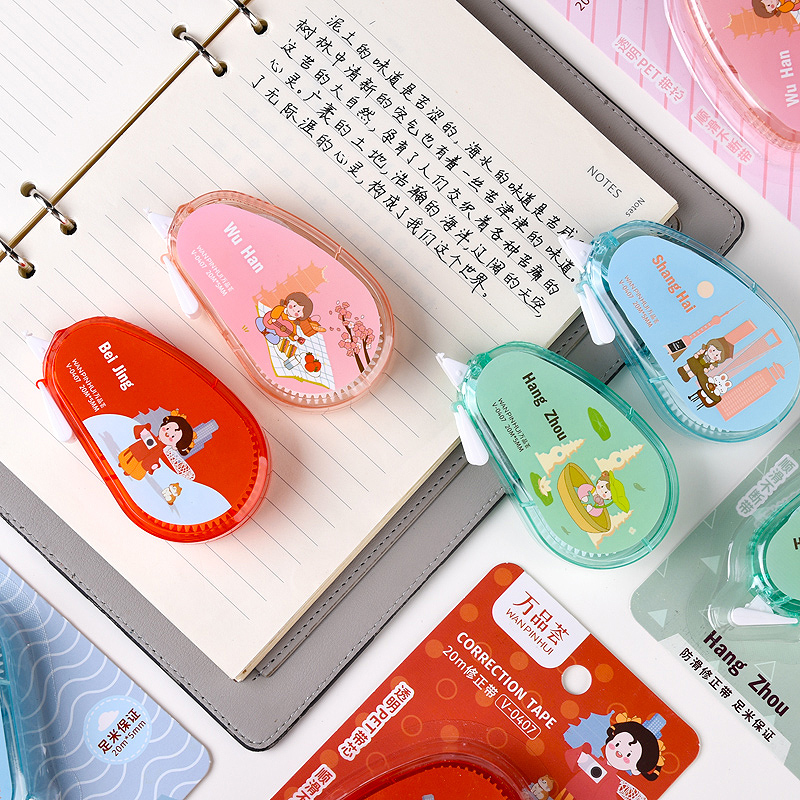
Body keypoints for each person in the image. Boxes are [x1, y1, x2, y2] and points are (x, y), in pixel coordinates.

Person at [555, 715, 665, 800]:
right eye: (617, 744)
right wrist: (582, 757)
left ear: (636, 769)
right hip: (567, 793)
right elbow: (569, 756)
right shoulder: (592, 759)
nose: (619, 752)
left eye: (629, 755)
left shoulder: (613, 781)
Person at [118, 414, 196, 481]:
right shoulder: (151, 437)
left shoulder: (159, 451)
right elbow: (140, 430)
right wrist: (143, 431)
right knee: (130, 456)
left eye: (172, 436)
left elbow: (153, 459)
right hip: (137, 449)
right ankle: (122, 464)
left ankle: (129, 471)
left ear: (175, 446)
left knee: (139, 465)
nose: (167, 434)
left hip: (145, 459)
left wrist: (153, 465)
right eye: (167, 428)